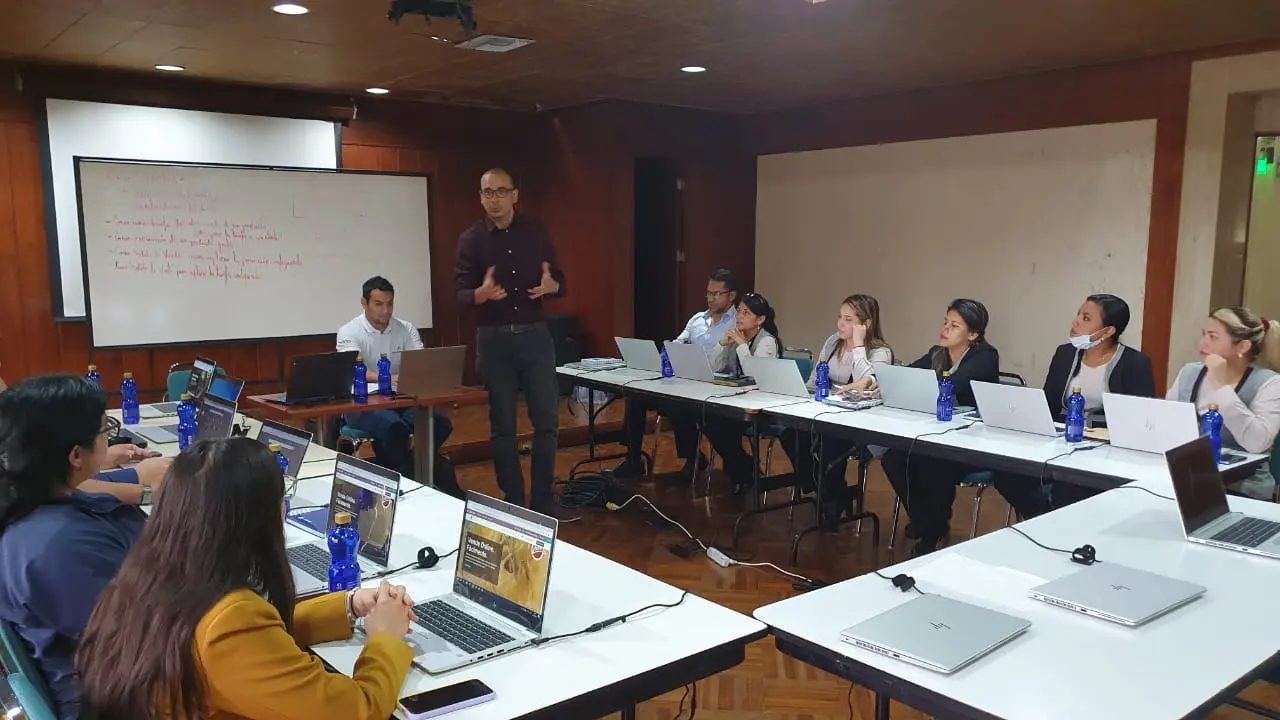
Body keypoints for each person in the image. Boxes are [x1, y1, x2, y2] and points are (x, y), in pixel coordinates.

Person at [76, 438, 416, 719]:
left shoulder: (150, 574)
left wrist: (348, 606)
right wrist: (385, 639)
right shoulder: (230, 622)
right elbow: (357, 710)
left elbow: (261, 643)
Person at [0, 375, 147, 719]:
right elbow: (141, 638)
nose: (107, 437)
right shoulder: (60, 548)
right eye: (104, 430)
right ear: (76, 455)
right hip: (117, 699)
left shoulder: (35, 505)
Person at [454, 168, 574, 521]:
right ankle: (514, 501)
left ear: (514, 195)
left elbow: (559, 281)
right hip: (495, 341)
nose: (494, 199)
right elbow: (460, 293)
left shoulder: (536, 233)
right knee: (503, 426)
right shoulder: (471, 239)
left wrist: (553, 287)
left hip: (535, 336)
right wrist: (479, 294)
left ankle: (543, 499)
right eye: (487, 192)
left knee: (547, 421)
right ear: (480, 198)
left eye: (500, 191)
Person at [994, 294, 1155, 518]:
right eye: (1078, 314)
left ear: (1108, 331)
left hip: (1103, 450)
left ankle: (1058, 522)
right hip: (1061, 442)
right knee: (1007, 475)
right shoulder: (1065, 354)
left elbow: (1141, 419)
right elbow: (1049, 402)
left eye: (1086, 318)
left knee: (1070, 487)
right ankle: (1045, 519)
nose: (1076, 321)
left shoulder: (1135, 363)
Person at [881, 299, 1000, 555]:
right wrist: (876, 381)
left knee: (932, 464)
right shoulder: (937, 354)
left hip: (971, 440)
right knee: (893, 458)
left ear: (973, 335)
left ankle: (934, 529)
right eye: (946, 322)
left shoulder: (985, 356)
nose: (945, 329)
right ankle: (924, 520)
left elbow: (953, 384)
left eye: (954, 326)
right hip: (937, 434)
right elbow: (908, 375)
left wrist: (918, 388)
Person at [337, 275, 460, 498]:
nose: (385, 311)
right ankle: (406, 480)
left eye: (389, 304)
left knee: (440, 423)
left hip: (400, 397)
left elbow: (421, 362)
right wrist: (386, 377)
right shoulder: (349, 331)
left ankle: (412, 466)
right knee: (396, 429)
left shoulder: (405, 329)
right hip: (362, 402)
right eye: (378, 304)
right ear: (364, 303)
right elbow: (353, 369)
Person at [781, 294, 894, 528]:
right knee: (791, 435)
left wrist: (859, 346)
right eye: (840, 317)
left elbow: (868, 383)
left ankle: (831, 497)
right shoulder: (833, 342)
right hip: (825, 412)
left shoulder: (880, 352)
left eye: (848, 319)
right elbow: (815, 379)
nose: (840, 324)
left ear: (866, 324)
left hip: (859, 422)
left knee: (829, 444)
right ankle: (826, 490)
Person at [615, 268, 739, 480]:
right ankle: (633, 458)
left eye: (717, 294)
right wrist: (668, 351)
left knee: (678, 403)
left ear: (731, 295)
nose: (711, 298)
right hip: (685, 380)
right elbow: (677, 342)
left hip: (715, 386)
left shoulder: (737, 322)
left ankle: (693, 457)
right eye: (708, 293)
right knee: (635, 395)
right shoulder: (697, 320)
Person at [1166, 306, 1280, 499]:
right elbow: (1166, 423)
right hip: (1189, 480)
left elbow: (1256, 443)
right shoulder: (1190, 372)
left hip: (1242, 489)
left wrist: (1221, 386)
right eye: (1204, 334)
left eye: (1213, 337)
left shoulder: (1270, 383)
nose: (1202, 343)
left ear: (1242, 347)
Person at [701, 292, 781, 493]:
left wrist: (742, 345)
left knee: (722, 424)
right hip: (734, 399)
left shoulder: (767, 342)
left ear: (760, 320)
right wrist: (722, 345)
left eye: (746, 313)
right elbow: (711, 367)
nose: (739, 316)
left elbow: (755, 375)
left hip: (760, 406)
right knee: (705, 417)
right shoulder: (735, 335)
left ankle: (742, 469)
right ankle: (744, 466)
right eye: (738, 311)